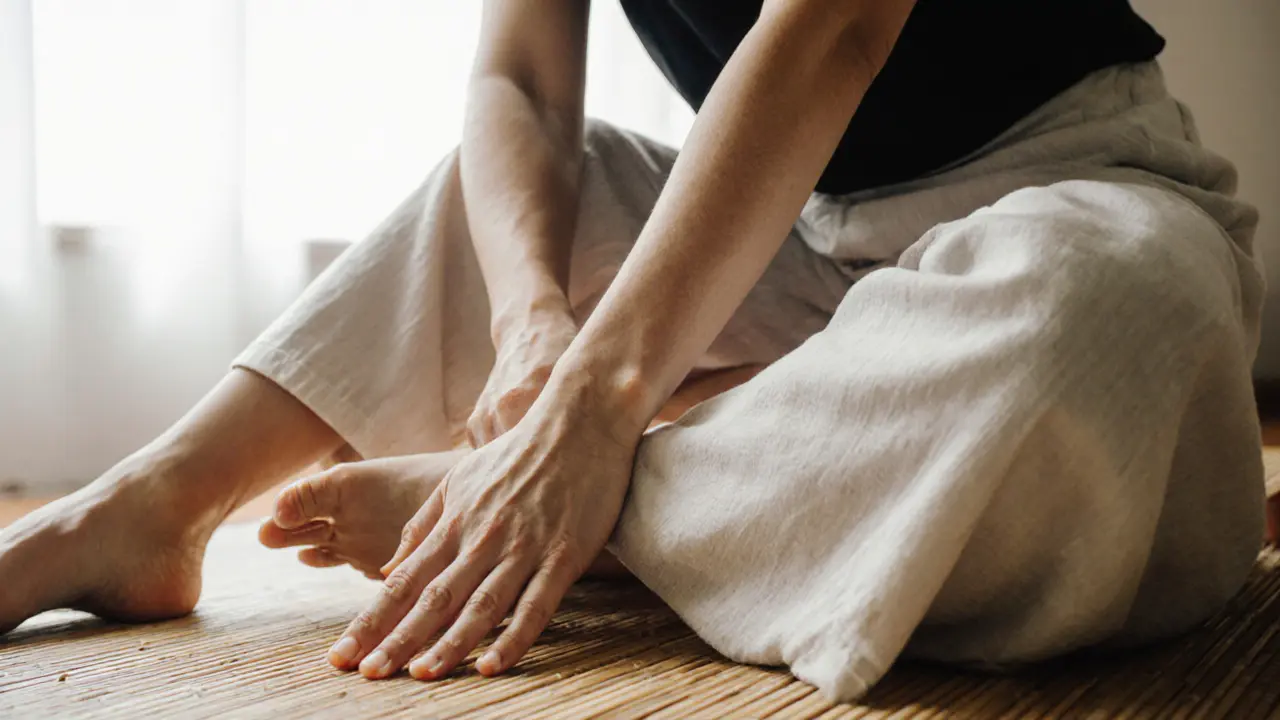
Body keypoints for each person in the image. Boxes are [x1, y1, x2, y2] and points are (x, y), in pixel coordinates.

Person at [0, 0, 1266, 701]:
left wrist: (595, 410)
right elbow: (522, 89)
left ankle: (603, 510)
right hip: (812, 235)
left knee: (1077, 316)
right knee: (523, 195)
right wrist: (532, 322)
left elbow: (833, 28)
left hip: (1070, 193)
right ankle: (153, 503)